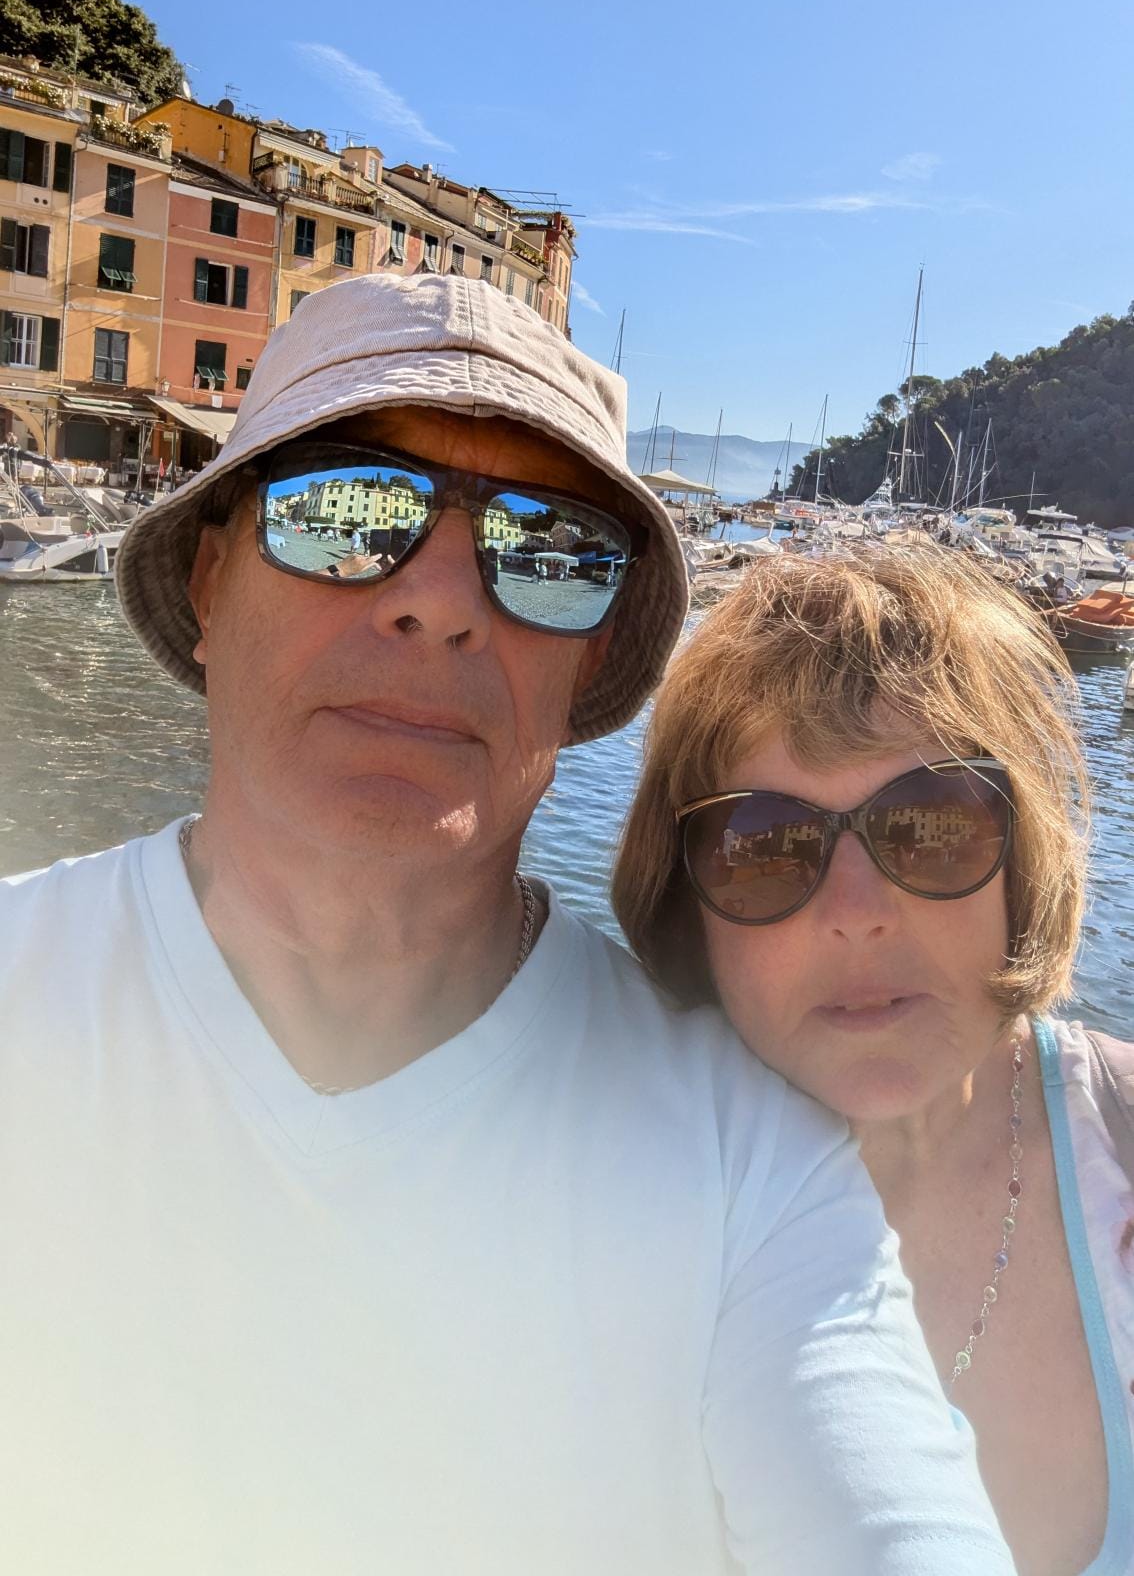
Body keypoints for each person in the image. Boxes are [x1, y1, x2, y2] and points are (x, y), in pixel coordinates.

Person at [0, 278, 1012, 1575]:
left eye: (549, 552)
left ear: (587, 663)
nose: (441, 601)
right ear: (210, 580)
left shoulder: (748, 1162)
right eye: (345, 511)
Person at [613, 544, 1134, 1576]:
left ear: (1023, 857)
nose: (857, 916)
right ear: (686, 903)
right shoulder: (608, 1182)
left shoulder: (1120, 1141)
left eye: (931, 827)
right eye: (763, 845)